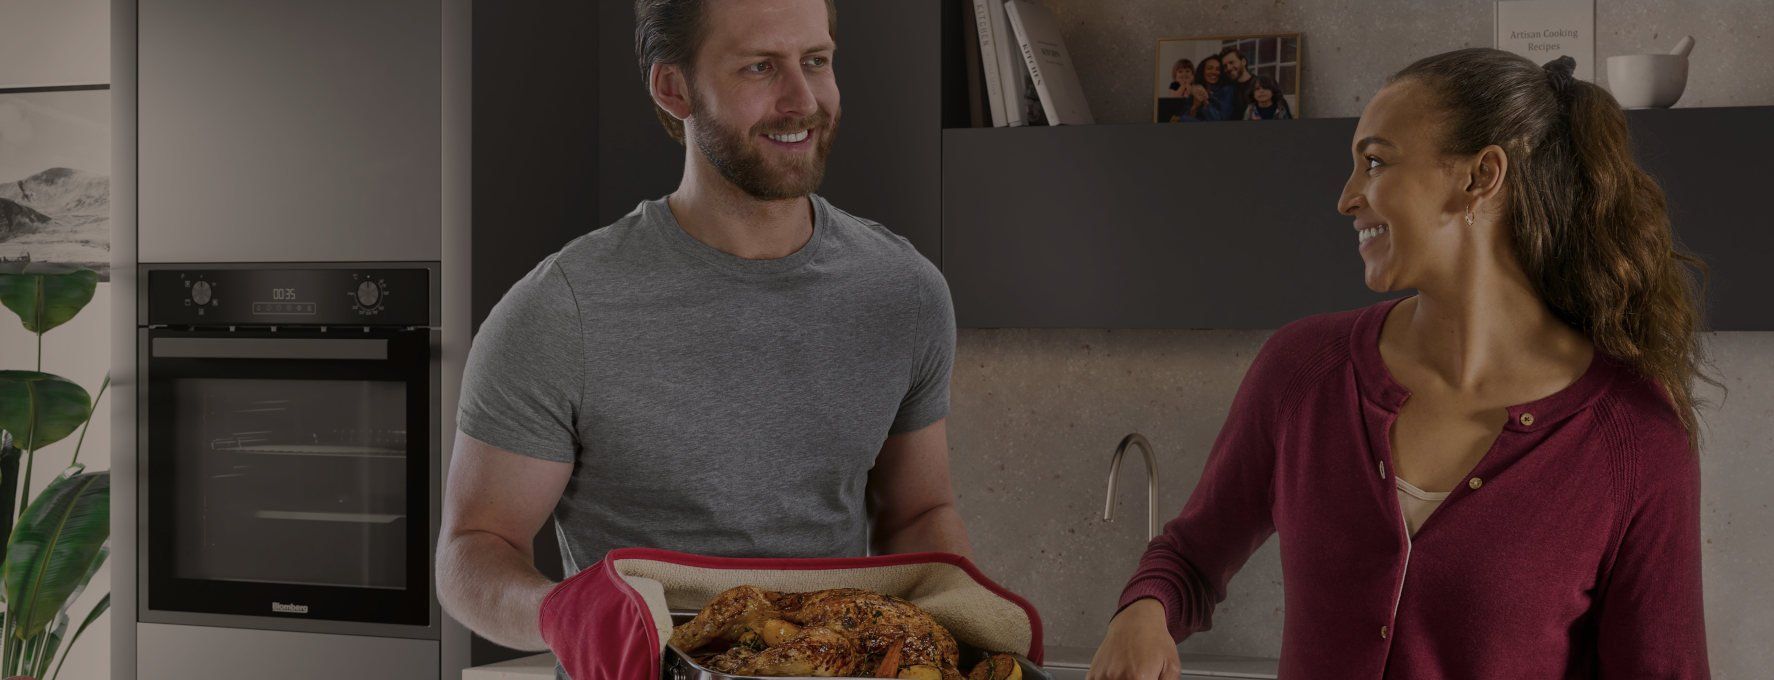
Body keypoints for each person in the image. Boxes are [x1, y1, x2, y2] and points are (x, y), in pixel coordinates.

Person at [1088, 49, 1712, 678]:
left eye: (1376, 162)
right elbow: (1191, 557)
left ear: (1481, 176)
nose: (1346, 198)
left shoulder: (1634, 437)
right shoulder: (1303, 371)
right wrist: (1143, 611)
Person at [435, 0, 973, 670]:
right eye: (759, 67)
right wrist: (559, 611)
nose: (801, 100)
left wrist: (966, 620)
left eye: (816, 61)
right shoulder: (561, 310)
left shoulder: (906, 293)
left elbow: (919, 515)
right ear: (673, 87)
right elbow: (473, 549)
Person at [1193, 54, 1235, 121]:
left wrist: (1205, 101)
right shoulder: (1196, 88)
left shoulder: (1228, 90)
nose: (1214, 72)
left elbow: (1221, 119)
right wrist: (1195, 107)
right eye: (1209, 68)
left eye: (1218, 69)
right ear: (1202, 71)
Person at [1157, 57, 1198, 123]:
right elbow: (1174, 97)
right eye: (1180, 71)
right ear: (1175, 75)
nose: (1184, 74)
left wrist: (1188, 84)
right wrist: (1183, 85)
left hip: (1189, 109)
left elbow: (1192, 95)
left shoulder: (1193, 85)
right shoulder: (1174, 84)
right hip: (1176, 109)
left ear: (1192, 74)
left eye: (1187, 71)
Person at [1219, 46, 1256, 117]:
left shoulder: (1261, 84)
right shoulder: (1226, 89)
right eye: (1225, 66)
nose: (1228, 68)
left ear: (1243, 62)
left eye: (1231, 62)